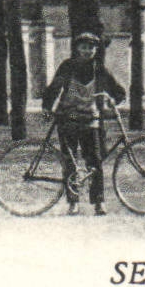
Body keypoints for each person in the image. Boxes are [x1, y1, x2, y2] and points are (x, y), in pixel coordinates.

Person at [42, 32, 126, 215]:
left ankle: (99, 202)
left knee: (95, 162)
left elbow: (118, 91)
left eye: (91, 48)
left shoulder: (100, 69)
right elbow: (54, 87)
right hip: (67, 120)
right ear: (77, 48)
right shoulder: (67, 67)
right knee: (69, 162)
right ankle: (73, 202)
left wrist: (112, 102)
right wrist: (47, 107)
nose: (87, 51)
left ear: (96, 50)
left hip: (91, 121)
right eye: (83, 47)